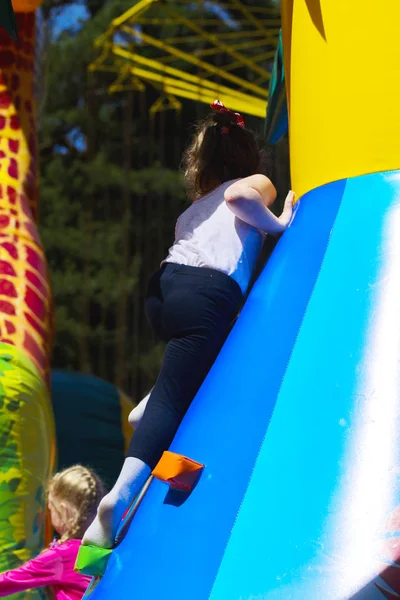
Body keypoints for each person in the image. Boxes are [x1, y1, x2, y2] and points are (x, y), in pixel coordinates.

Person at [82, 99, 295, 549]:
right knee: (178, 400)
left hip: (164, 291)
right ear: (249, 158)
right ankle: (118, 498)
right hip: (207, 291)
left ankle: (153, 397)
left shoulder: (195, 208)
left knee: (212, 355)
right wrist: (277, 224)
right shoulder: (253, 183)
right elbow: (242, 199)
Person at [0, 465, 105, 600]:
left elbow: (10, 581)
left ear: (64, 510)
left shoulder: (63, 555)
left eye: (51, 509)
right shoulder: (103, 545)